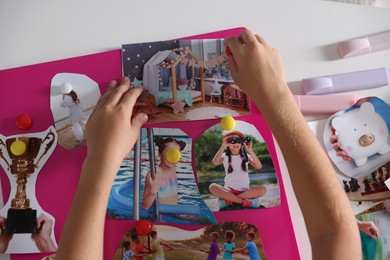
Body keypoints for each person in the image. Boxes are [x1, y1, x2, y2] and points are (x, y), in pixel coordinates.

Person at [55, 29, 361, 259]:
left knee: (233, 191)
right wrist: (275, 97)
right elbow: (335, 235)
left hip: (209, 194)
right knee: (229, 189)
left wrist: (99, 161)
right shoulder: (225, 156)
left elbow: (334, 235)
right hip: (227, 190)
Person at [209, 130, 266, 208]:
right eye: (233, 141)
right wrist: (223, 146)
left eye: (239, 141)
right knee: (212, 187)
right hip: (229, 191)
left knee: (263, 189)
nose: (236, 144)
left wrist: (250, 150)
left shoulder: (246, 156)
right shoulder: (225, 156)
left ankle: (231, 200)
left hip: (245, 191)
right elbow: (215, 162)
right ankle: (243, 202)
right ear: (228, 144)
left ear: (242, 144)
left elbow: (259, 166)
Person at [142, 137, 186, 210]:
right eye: (169, 152)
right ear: (160, 154)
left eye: (175, 154)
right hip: (163, 216)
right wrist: (152, 192)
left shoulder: (173, 169)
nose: (172, 157)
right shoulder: (154, 174)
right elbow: (145, 206)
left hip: (174, 211)